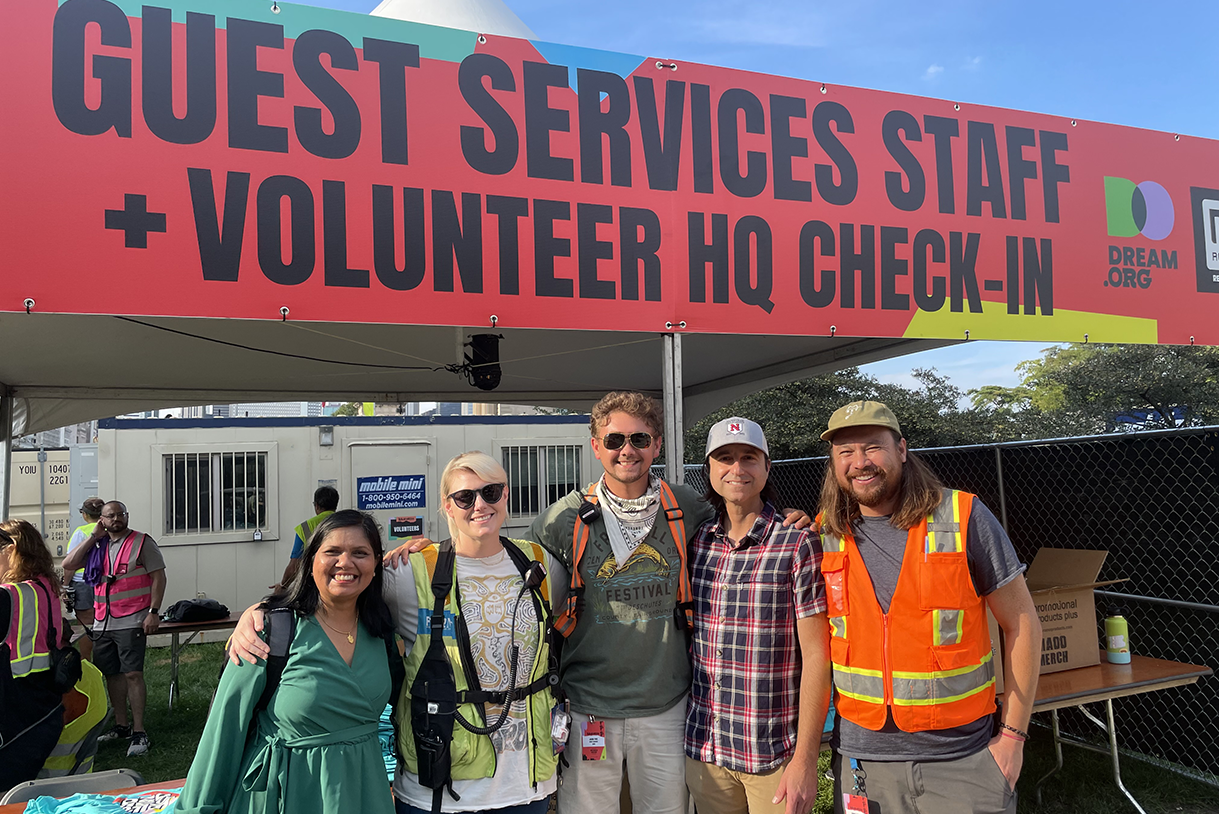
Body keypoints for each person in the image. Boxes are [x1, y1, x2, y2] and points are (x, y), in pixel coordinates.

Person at [381, 392, 809, 814]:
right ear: (595, 447)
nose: (628, 450)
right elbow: (497, 556)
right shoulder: (560, 520)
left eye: (640, 440)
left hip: (667, 705)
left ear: (657, 445)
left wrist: (793, 514)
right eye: (615, 440)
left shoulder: (687, 506)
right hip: (588, 707)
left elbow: (740, 512)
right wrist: (435, 549)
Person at [231, 452, 565, 814]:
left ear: (507, 496)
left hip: (528, 784)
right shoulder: (408, 573)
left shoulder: (539, 564)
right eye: (465, 497)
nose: (480, 504)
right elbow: (333, 594)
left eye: (491, 492)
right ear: (447, 507)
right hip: (440, 789)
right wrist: (261, 612)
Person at [817, 401, 1041, 814]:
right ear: (833, 463)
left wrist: (1013, 737)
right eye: (845, 452)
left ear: (901, 449)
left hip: (963, 761)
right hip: (863, 760)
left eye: (872, 447)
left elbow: (1022, 623)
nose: (860, 462)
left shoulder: (963, 516)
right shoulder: (825, 533)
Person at [177, 510, 398, 814]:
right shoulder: (270, 631)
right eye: (332, 552)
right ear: (310, 562)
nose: (345, 563)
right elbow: (223, 733)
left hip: (363, 793)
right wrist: (196, 809)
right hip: (287, 793)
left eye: (360, 553)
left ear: (375, 563)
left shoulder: (382, 631)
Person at [685, 418, 830, 814]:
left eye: (749, 458)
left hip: (772, 756)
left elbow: (818, 656)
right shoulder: (697, 544)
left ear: (767, 468)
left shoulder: (798, 543)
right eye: (725, 458)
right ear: (709, 471)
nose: (737, 469)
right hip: (705, 749)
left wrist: (804, 759)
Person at [60, 500, 166, 757]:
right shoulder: (98, 545)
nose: (116, 519)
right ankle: (122, 725)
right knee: (111, 673)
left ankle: (139, 732)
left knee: (132, 674)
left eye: (120, 514)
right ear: (101, 520)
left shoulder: (142, 542)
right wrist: (92, 538)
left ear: (127, 517)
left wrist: (153, 612)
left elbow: (159, 577)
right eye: (110, 516)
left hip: (132, 618)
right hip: (103, 620)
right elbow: (69, 564)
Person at [0, 520, 68, 791]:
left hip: (14, 713)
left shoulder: (10, 596)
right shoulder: (46, 589)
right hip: (43, 706)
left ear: (12, 550)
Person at [275, 486, 340, 591]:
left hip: (314, 585)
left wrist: (283, 586)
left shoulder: (305, 527)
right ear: (335, 505)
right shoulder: (346, 524)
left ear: (316, 506)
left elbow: (295, 564)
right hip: (341, 580)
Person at [64, 497, 105, 661]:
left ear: (85, 515)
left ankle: (86, 661)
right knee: (103, 622)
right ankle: (104, 659)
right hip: (104, 582)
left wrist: (66, 586)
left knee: (86, 625)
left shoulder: (81, 533)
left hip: (83, 583)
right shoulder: (109, 531)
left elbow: (70, 563)